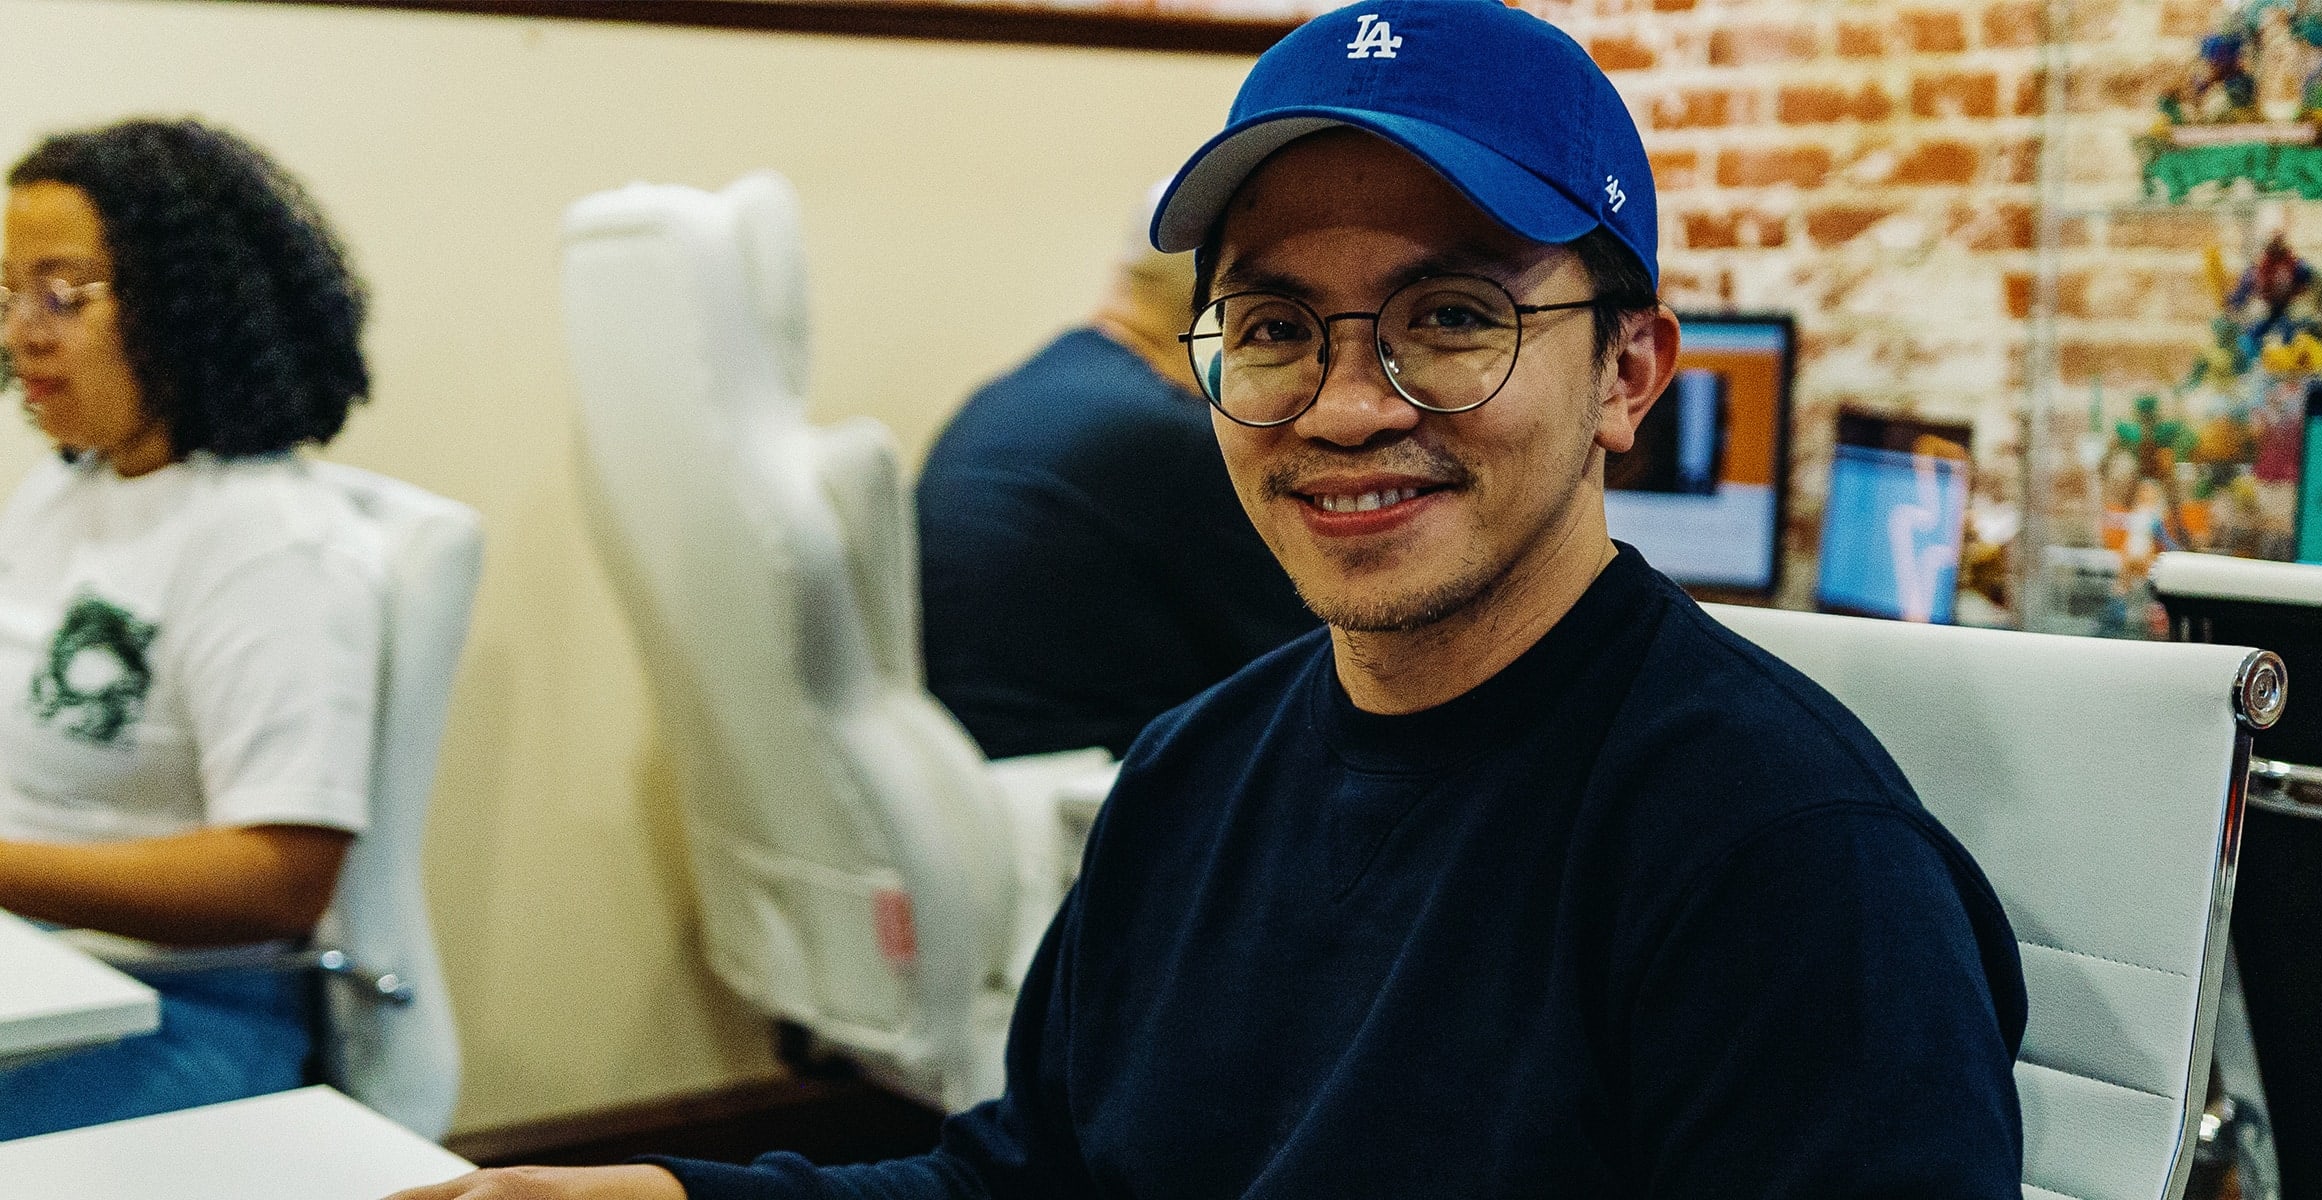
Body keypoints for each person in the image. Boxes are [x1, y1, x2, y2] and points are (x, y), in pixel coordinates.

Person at [394, 1, 2025, 1195]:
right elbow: (1038, 1183)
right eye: (1273, 327)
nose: (1342, 405)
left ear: (1628, 373)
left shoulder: (1788, 869)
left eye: (1451, 316)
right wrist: (676, 1199)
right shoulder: (1194, 773)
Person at [0, 118, 383, 1137]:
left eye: (63, 295)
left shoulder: (270, 544)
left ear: (185, 302)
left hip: (191, 1016)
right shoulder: (63, 493)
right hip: (41, 974)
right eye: (10, 293)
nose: (22, 334)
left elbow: (277, 881)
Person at [917, 182, 1313, 760]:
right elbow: (1331, 649)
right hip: (1087, 791)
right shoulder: (1158, 437)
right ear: (1226, 311)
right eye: (1281, 326)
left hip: (986, 775)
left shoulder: (1046, 384)